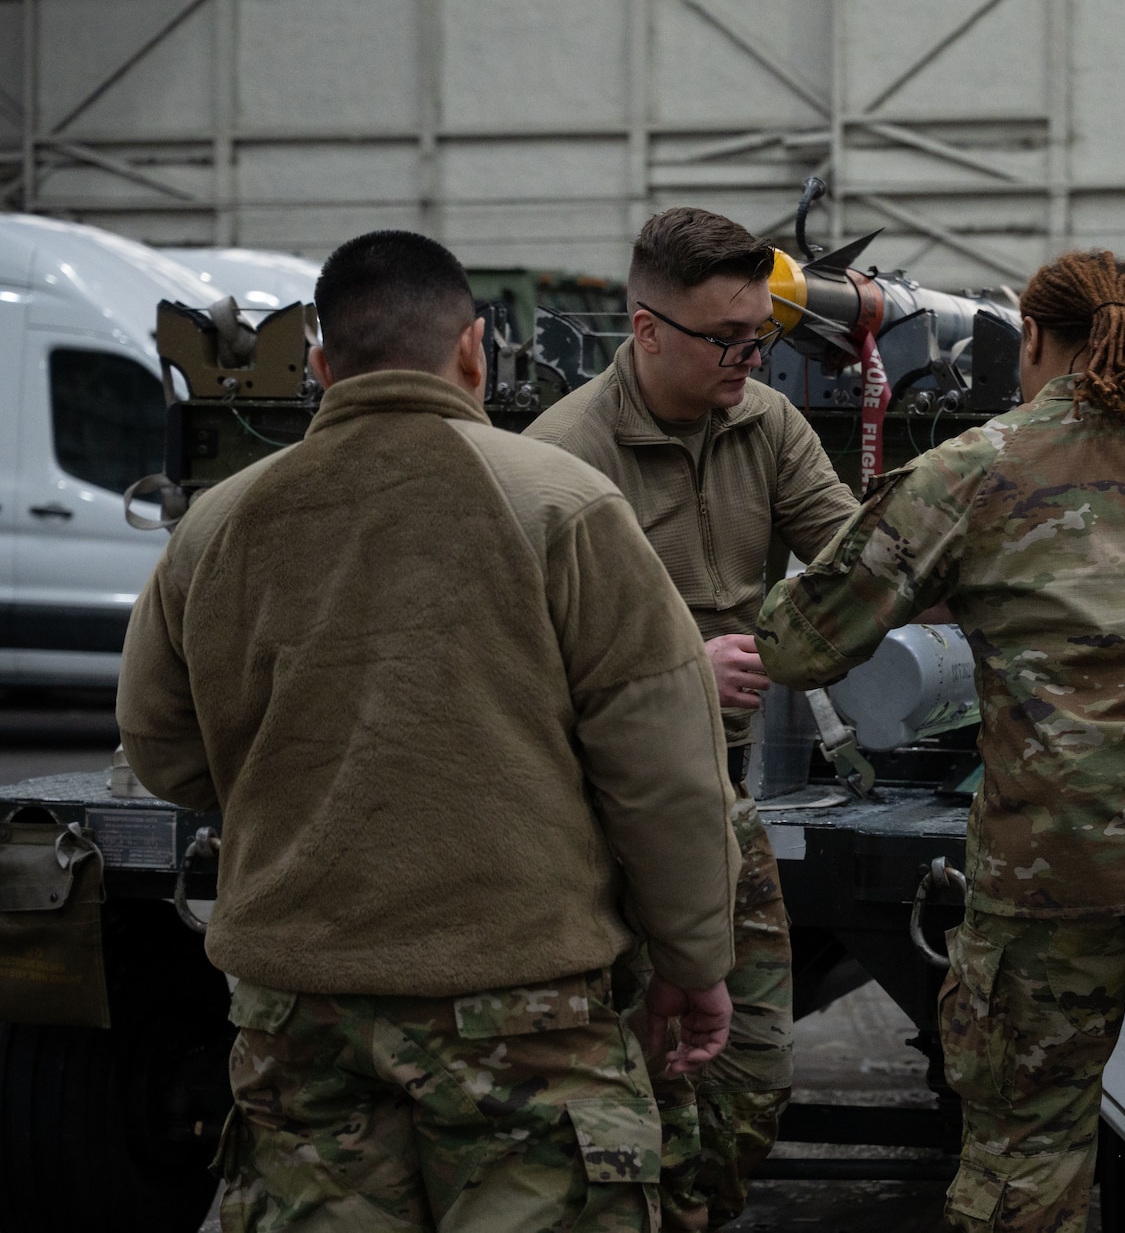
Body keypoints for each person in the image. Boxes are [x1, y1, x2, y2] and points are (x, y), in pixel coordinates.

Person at [116, 230, 740, 1230]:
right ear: (472, 349)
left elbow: (159, 746)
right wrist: (693, 962)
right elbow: (664, 771)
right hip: (522, 1013)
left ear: (321, 366)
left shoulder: (217, 524)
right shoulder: (564, 505)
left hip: (295, 1013)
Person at [755, 248, 1125, 1233]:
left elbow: (797, 639)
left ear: (1030, 340)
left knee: (1023, 1153)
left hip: (1050, 871)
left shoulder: (973, 469)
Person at [527, 206, 858, 1229]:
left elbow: (851, 564)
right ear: (645, 329)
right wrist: (672, 670)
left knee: (751, 1076)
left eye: (759, 335)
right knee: (629, 1092)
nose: (748, 358)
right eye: (725, 339)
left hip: (716, 794)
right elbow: (516, 664)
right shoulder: (561, 459)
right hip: (592, 813)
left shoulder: (764, 420)